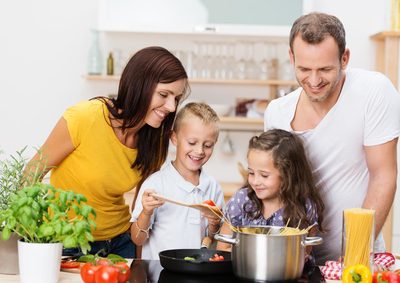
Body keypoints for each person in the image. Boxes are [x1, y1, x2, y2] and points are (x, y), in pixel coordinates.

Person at [25, 46, 190, 258]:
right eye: (164, 95)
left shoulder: (154, 139)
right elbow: (31, 173)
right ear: (140, 86)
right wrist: (29, 239)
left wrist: (138, 258)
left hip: (121, 242)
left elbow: (141, 206)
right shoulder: (85, 117)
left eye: (176, 98)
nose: (171, 107)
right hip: (67, 243)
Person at [264, 12, 400, 264]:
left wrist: (354, 257)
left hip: (359, 256)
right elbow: (275, 190)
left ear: (344, 58)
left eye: (325, 69)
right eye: (304, 69)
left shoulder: (373, 91)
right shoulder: (277, 112)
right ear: (291, 58)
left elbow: (383, 176)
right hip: (295, 261)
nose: (314, 81)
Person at [130, 102, 224, 260]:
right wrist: (146, 212)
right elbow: (137, 239)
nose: (199, 151)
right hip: (160, 274)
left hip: (197, 274)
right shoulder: (156, 184)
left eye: (208, 145)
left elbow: (213, 241)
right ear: (174, 138)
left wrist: (214, 225)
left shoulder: (213, 187)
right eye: (192, 143)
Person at [216, 129, 324, 258]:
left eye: (264, 175)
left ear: (288, 175)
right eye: (251, 173)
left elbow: (303, 255)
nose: (255, 181)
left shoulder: (305, 207)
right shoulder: (242, 200)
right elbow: (223, 248)